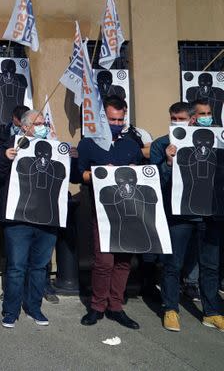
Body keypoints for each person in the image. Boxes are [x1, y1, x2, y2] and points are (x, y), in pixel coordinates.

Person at [156, 99, 224, 332]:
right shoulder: (163, 144)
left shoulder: (218, 142)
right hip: (181, 216)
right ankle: (171, 309)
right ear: (193, 117)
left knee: (210, 266)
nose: (206, 118)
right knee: (172, 264)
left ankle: (212, 312)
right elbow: (160, 182)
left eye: (208, 114)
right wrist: (168, 161)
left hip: (210, 215)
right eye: (201, 114)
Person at [77, 96, 143, 329]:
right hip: (102, 211)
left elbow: (142, 176)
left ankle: (116, 307)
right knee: (104, 261)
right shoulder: (89, 143)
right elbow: (80, 175)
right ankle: (97, 307)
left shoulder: (132, 145)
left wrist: (136, 171)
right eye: (112, 119)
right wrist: (100, 174)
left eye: (120, 119)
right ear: (103, 118)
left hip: (128, 211)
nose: (116, 122)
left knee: (123, 261)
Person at [0, 110, 58, 328]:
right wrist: (4, 159)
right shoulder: (8, 146)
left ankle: (34, 308)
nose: (43, 127)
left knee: (39, 267)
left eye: (44, 123)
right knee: (16, 267)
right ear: (25, 127)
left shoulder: (55, 148)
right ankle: (10, 311)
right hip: (18, 219)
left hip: (46, 219)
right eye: (38, 124)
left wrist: (70, 156)